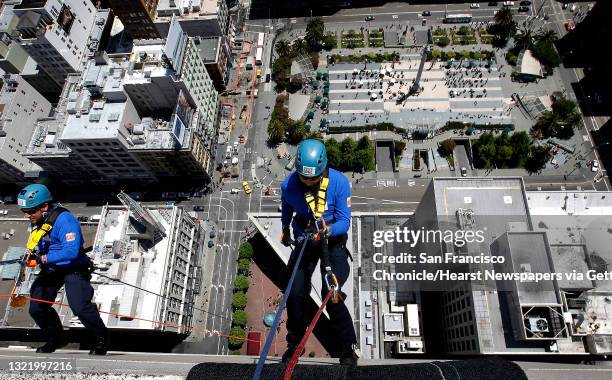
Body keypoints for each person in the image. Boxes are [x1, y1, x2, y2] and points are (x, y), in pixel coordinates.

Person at [279, 139, 358, 366]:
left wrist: (329, 229)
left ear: (323, 171)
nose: (308, 182)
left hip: (332, 241)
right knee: (294, 292)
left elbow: (344, 221)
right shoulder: (289, 186)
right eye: (304, 177)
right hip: (305, 237)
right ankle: (295, 343)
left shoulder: (340, 183)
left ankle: (347, 347)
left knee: (330, 293)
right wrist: (285, 228)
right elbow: (287, 207)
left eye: (313, 178)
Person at [17, 184, 108, 355]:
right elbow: (44, 243)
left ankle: (100, 337)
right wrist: (33, 257)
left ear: (44, 207)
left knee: (79, 307)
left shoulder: (65, 220)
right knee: (37, 307)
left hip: (74, 267)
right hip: (52, 268)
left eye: (30, 211)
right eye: (24, 211)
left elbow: (71, 251)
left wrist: (41, 259)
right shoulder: (38, 219)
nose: (26, 215)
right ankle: (56, 337)